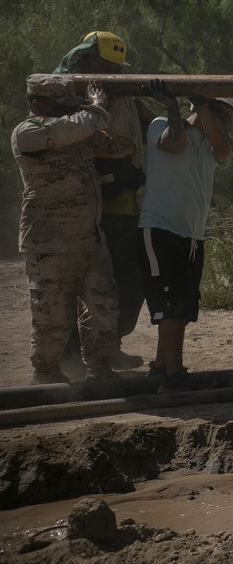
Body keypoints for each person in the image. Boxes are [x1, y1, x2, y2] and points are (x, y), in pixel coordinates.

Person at [12, 77, 122, 383]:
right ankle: (46, 374)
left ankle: (100, 366)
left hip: (90, 239)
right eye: (59, 106)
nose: (66, 113)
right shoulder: (28, 132)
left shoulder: (76, 128)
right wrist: (97, 107)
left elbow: (118, 144)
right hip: (50, 243)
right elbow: (72, 127)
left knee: (104, 307)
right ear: (36, 105)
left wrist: (121, 106)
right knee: (52, 318)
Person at [139, 81, 233, 392]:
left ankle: (161, 367)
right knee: (171, 305)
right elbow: (174, 144)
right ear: (202, 108)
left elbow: (223, 150)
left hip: (192, 236)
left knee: (181, 306)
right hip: (160, 229)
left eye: (223, 117)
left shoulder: (214, 145)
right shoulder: (161, 125)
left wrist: (204, 106)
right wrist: (174, 107)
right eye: (220, 114)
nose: (222, 123)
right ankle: (173, 377)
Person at [57, 31, 151, 373]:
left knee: (129, 279)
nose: (114, 73)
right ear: (84, 61)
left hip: (124, 204)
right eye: (106, 65)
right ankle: (78, 354)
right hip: (96, 207)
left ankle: (108, 345)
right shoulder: (74, 100)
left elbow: (147, 124)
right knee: (97, 283)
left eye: (117, 67)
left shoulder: (123, 93)